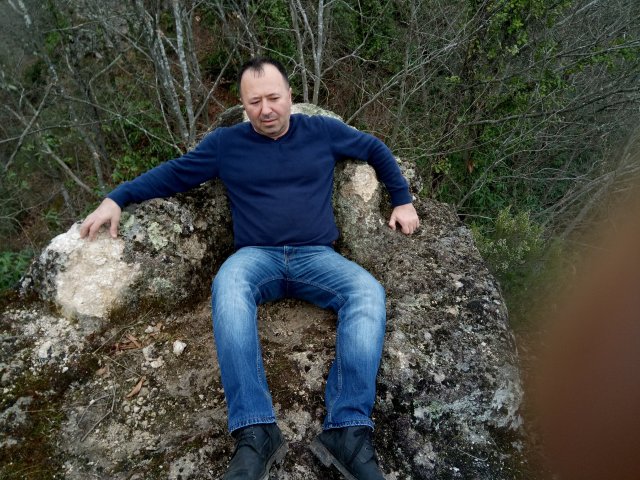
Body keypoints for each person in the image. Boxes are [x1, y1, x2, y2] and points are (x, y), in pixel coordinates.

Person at [80, 57, 419, 480]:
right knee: (228, 284)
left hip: (316, 256)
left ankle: (347, 430)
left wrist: (402, 199)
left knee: (367, 292)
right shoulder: (227, 145)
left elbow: (374, 149)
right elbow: (174, 174)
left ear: (290, 96)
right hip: (256, 256)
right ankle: (256, 431)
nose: (266, 109)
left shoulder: (322, 132)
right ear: (244, 106)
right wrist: (117, 198)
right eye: (255, 102)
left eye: (274, 98)